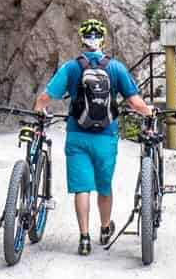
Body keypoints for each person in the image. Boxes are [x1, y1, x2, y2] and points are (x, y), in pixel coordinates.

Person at [34, 17, 153, 255]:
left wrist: (39, 108)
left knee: (82, 188)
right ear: (103, 40)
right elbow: (134, 101)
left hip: (77, 135)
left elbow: (47, 97)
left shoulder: (71, 67)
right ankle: (106, 228)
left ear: (82, 40)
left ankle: (84, 238)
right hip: (106, 137)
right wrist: (149, 111)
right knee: (104, 187)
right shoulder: (116, 68)